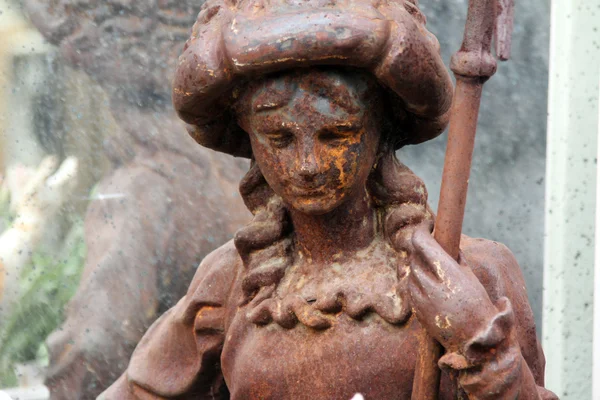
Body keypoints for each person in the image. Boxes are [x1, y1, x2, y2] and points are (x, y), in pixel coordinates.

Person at [101, 0, 558, 398]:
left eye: (336, 133)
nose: (307, 165)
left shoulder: (467, 272)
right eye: (278, 138)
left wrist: (479, 337)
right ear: (248, 139)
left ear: (382, 131)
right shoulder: (236, 282)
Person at [22, 0, 250, 397]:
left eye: (78, 42)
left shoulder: (142, 189)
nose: (74, 56)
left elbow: (96, 341)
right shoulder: (241, 170)